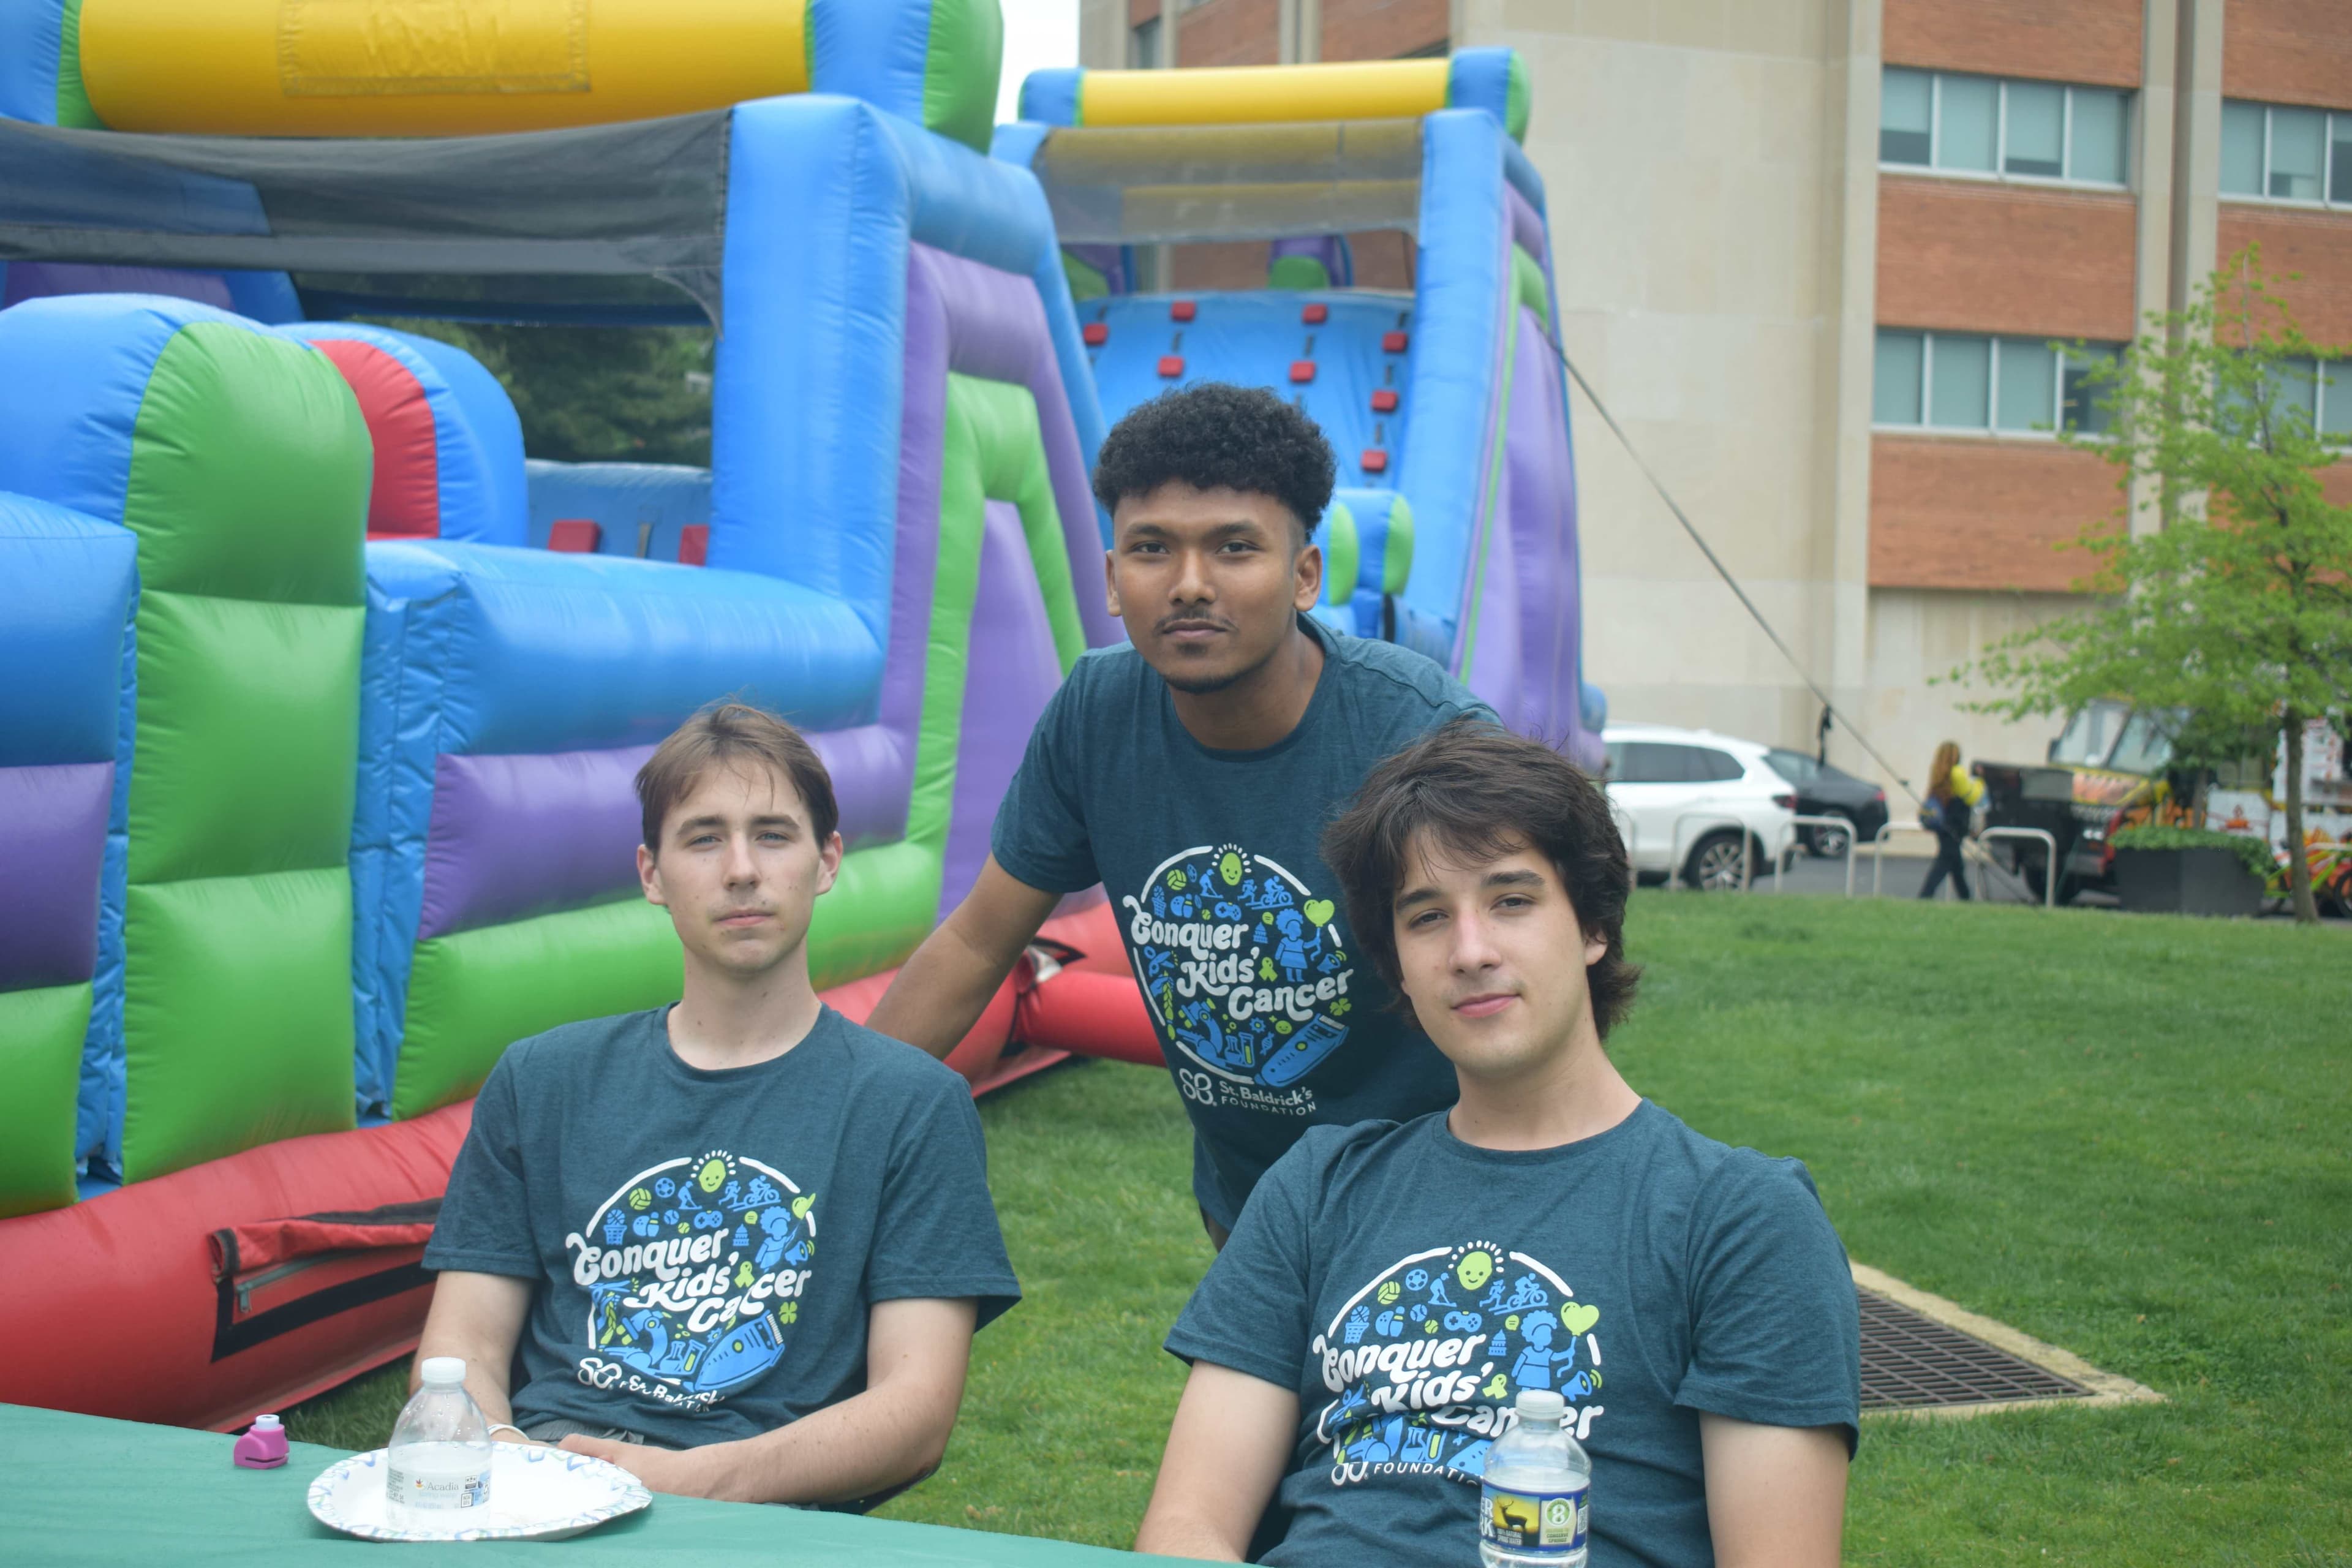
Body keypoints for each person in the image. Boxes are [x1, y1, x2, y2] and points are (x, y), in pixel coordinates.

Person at [1136, 721, 1858, 1566]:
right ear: (1397, 964)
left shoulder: (1738, 1220)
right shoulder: (1317, 1189)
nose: (1470, 952)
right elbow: (1188, 1529)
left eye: (1512, 901)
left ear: (1593, 927)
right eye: (1427, 917)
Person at [869, 384, 1492, 1248]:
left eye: (1235, 548)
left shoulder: (1419, 736)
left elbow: (1533, 984)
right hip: (1247, 1203)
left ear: (1304, 574)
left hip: (1441, 1197)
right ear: (1114, 578)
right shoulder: (1096, 716)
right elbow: (978, 944)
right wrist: (836, 1126)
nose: (1191, 585)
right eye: (1153, 548)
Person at [417, 703, 1020, 1507]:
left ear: (828, 860)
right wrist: (502, 1458)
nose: (741, 869)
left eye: (773, 835)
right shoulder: (542, 1081)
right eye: (704, 838)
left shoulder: (910, 1106)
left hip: (760, 1517)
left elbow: (914, 1415)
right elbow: (460, 1354)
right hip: (538, 1491)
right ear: (651, 874)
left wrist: (689, 1483)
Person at [1917, 739, 1984, 901]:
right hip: (1954, 825)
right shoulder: (1957, 773)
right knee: (1945, 862)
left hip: (1942, 824)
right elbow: (1971, 796)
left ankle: (1966, 899)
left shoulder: (1938, 774)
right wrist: (1980, 780)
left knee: (1956, 865)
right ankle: (1925, 897)